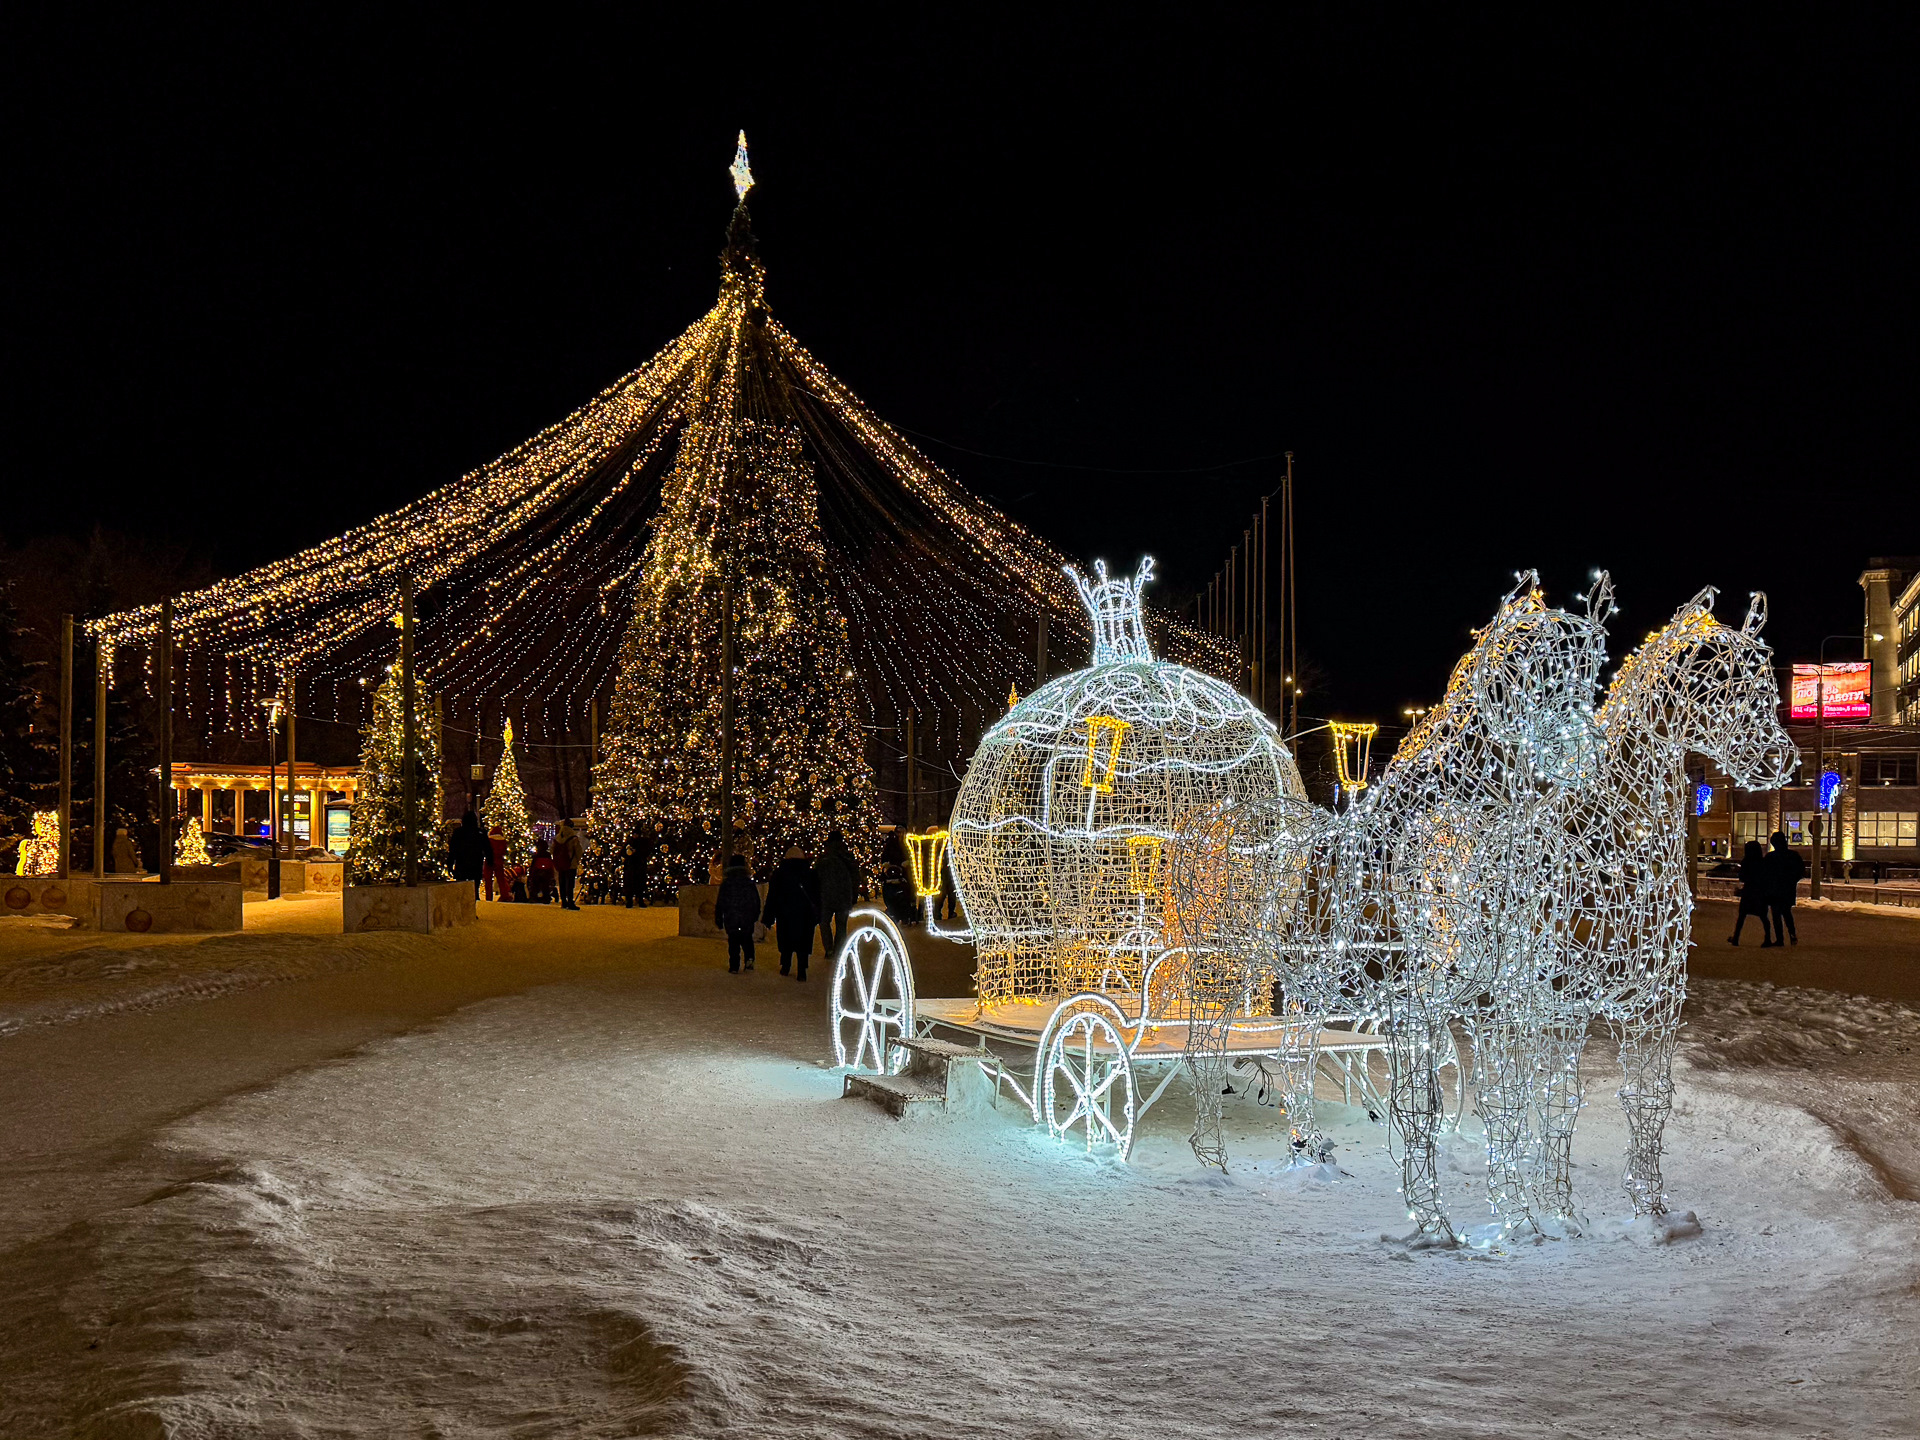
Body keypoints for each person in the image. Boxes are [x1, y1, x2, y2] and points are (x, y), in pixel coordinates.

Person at [763, 845, 820, 979]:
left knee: (786, 940)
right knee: (803, 942)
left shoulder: (779, 873)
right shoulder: (810, 874)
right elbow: (816, 896)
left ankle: (785, 965)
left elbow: (772, 896)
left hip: (785, 913)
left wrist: (768, 916)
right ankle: (802, 969)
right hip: (805, 914)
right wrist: (817, 914)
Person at [812, 826, 859, 959]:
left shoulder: (824, 857)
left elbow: (816, 877)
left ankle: (829, 949)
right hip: (844, 895)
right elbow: (855, 876)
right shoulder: (847, 856)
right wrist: (853, 894)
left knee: (824, 922)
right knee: (841, 925)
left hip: (825, 895)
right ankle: (839, 950)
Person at [716, 853, 760, 972]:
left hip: (731, 917)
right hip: (747, 917)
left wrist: (719, 917)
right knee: (747, 939)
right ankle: (749, 958)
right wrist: (755, 914)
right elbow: (756, 900)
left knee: (733, 941)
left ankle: (734, 964)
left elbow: (721, 901)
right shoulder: (749, 883)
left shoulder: (727, 883)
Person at [1763, 830, 1805, 946]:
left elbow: (1764, 873)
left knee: (1776, 915)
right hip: (1787, 890)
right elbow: (1801, 871)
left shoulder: (1770, 857)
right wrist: (1792, 881)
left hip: (1774, 891)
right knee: (1787, 913)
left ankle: (1780, 939)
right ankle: (1792, 934)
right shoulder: (1793, 855)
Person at [1727, 838, 1772, 946]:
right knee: (1763, 917)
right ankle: (1768, 938)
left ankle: (1736, 938)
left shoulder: (1746, 862)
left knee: (1742, 916)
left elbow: (1742, 877)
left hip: (1749, 892)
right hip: (1760, 892)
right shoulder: (1763, 862)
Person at [450, 810, 486, 900]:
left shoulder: (458, 833)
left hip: (461, 866)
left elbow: (453, 850)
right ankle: (472, 910)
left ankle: (462, 911)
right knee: (474, 890)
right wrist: (489, 861)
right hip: (476, 866)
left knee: (460, 891)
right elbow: (487, 848)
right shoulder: (480, 833)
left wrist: (450, 864)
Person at [555, 821, 583, 910]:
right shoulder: (573, 838)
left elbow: (553, 849)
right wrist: (577, 860)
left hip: (560, 863)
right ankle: (570, 901)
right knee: (570, 884)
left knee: (562, 882)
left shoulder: (558, 837)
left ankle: (563, 901)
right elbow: (578, 851)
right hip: (571, 864)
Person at [621, 825, 649, 909]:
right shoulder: (629, 842)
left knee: (640, 884)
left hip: (639, 866)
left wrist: (636, 852)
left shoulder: (642, 842)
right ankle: (629, 901)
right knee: (629, 885)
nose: (635, 836)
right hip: (630, 867)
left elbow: (645, 852)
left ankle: (640, 900)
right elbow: (622, 852)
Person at [483, 823, 509, 901]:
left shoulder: (489, 840)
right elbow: (504, 851)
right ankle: (504, 895)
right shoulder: (503, 841)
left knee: (488, 880)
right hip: (499, 861)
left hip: (489, 860)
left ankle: (489, 897)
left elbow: (486, 850)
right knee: (501, 880)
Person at [528, 840, 557, 904]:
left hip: (537, 872)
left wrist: (531, 873)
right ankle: (546, 897)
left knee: (535, 884)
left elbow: (533, 865)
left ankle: (534, 897)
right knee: (545, 886)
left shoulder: (537, 855)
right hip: (546, 872)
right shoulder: (548, 855)